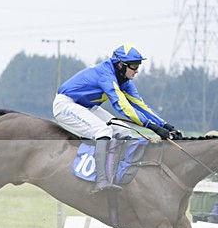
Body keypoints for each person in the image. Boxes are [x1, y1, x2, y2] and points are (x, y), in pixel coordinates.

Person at [52, 44, 181, 193]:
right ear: (120, 65)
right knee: (103, 130)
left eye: (138, 65)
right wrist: (152, 127)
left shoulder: (125, 81)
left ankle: (118, 173)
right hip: (66, 104)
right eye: (133, 66)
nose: (137, 70)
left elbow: (141, 106)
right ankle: (101, 180)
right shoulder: (106, 76)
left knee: (124, 130)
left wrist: (166, 126)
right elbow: (123, 106)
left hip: (86, 106)